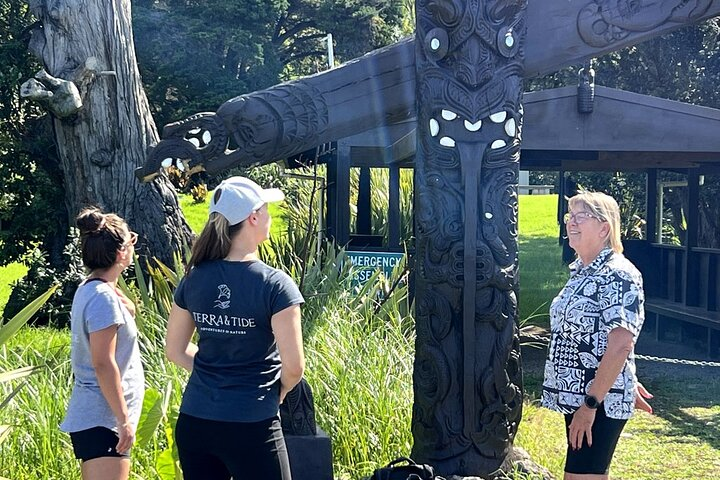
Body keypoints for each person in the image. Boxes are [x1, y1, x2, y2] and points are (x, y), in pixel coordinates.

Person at [165, 176, 305, 480]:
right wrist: (274, 392)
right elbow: (294, 368)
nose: (269, 216)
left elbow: (174, 350)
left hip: (195, 421)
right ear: (254, 218)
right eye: (266, 210)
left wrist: (211, 373)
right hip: (252, 424)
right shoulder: (275, 285)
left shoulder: (194, 277)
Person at [541, 191, 652, 480]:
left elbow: (621, 343)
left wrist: (591, 404)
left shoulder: (617, 273)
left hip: (596, 400)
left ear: (605, 228)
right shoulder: (582, 271)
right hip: (583, 396)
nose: (571, 223)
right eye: (569, 217)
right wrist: (628, 379)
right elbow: (596, 335)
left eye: (581, 217)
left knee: (581, 477)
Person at [61, 207, 145, 480]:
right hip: (104, 419)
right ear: (122, 253)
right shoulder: (103, 298)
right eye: (131, 240)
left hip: (101, 418)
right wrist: (122, 420)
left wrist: (129, 310)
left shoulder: (94, 288)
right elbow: (103, 362)